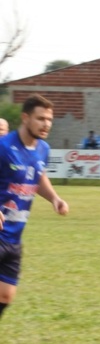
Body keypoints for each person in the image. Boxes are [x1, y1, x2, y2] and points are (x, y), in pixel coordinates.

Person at [0, 95, 70, 319]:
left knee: (5, 296)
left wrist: (55, 198)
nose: (46, 124)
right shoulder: (3, 147)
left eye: (49, 119)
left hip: (14, 236)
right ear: (25, 117)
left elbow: (38, 177)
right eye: (40, 118)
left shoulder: (43, 149)